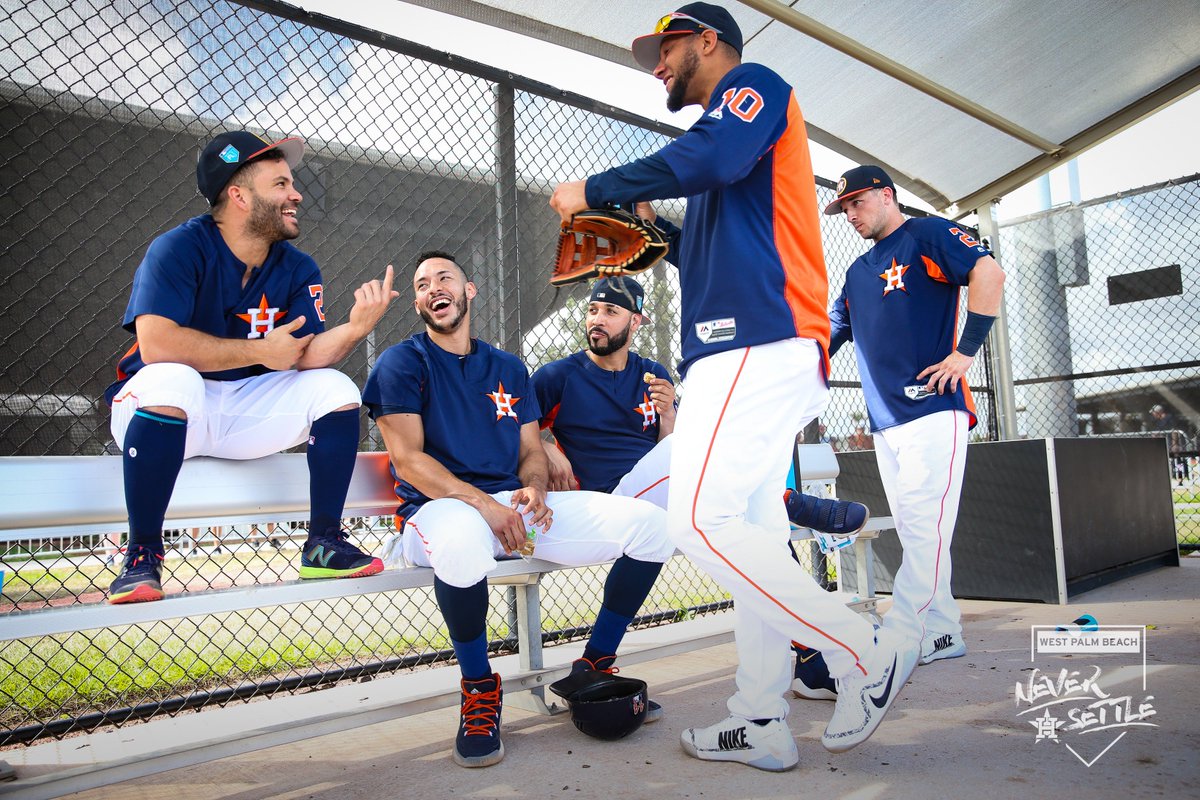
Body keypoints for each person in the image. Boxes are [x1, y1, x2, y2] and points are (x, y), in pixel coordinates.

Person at [549, 3, 917, 771]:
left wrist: (594, 186)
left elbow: (706, 159)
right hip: (752, 343)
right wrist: (658, 231)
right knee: (750, 530)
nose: (656, 64)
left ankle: (863, 647)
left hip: (756, 345)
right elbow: (717, 237)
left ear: (708, 41)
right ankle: (759, 716)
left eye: (667, 47)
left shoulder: (753, 88)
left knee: (699, 523)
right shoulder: (726, 157)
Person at [362, 252, 676, 769]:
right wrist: (487, 506)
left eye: (445, 279)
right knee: (463, 542)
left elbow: (532, 451)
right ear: (418, 301)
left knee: (651, 527)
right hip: (437, 512)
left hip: (510, 508)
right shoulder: (402, 361)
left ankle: (593, 665)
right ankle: (480, 690)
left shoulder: (508, 367)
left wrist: (534, 490)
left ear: (470, 291)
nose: (432, 288)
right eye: (422, 285)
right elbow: (408, 460)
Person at [103, 131, 396, 604]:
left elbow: (303, 355)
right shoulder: (177, 248)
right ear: (239, 196)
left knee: (336, 388)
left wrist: (355, 328)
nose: (295, 194)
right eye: (280, 184)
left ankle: (323, 543)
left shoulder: (297, 267)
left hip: (244, 411)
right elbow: (156, 345)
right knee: (175, 379)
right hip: (164, 407)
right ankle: (141, 557)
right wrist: (259, 352)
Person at [533, 275, 871, 684]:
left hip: (667, 494)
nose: (597, 320)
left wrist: (670, 417)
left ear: (635, 322)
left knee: (756, 521)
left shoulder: (651, 373)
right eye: (592, 310)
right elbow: (517, 432)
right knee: (736, 480)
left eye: (610, 311)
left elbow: (667, 448)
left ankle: (807, 653)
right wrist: (546, 446)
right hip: (613, 501)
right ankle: (788, 501)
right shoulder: (558, 376)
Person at [792, 165, 1007, 699]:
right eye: (843, 208)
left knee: (926, 527)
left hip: (934, 411)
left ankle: (903, 633)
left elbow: (990, 275)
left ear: (887, 196)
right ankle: (943, 631)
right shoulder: (859, 271)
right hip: (887, 422)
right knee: (919, 528)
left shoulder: (928, 233)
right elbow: (829, 335)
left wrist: (965, 353)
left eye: (858, 203)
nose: (850, 214)